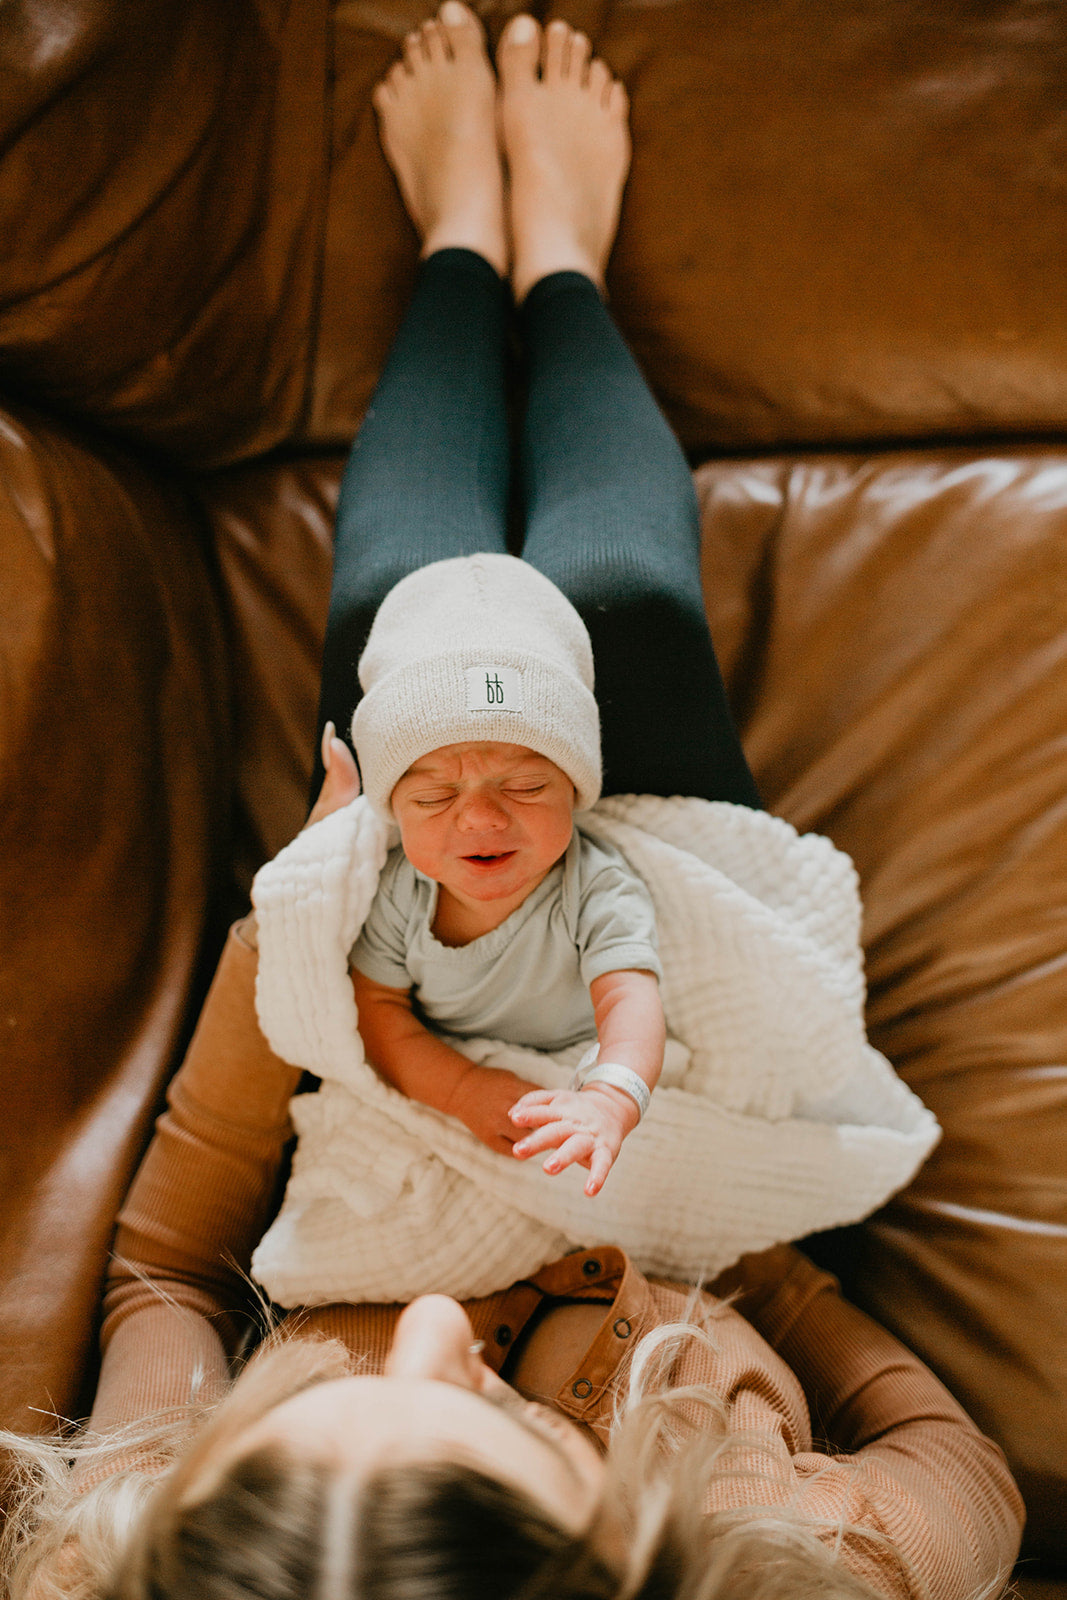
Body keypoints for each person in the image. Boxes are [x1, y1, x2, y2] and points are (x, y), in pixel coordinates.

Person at [0, 9, 1023, 1599]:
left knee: (396, 615)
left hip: (408, 921)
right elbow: (957, 1471)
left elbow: (166, 1267)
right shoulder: (813, 1564)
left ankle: (461, 249)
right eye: (483, 1412)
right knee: (623, 600)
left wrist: (312, 908)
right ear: (626, 1553)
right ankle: (559, 267)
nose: (427, 1335)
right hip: (641, 986)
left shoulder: (139, 1549)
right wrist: (738, 1261)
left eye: (320, 1413)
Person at [343, 554, 667, 1197]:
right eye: (434, 798)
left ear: (574, 790)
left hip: (573, 1063)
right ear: (393, 810)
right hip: (464, 1069)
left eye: (524, 786)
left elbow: (631, 1000)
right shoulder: (397, 896)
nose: (482, 820)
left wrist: (610, 1098)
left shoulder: (595, 887)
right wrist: (460, 1089)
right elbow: (377, 1011)